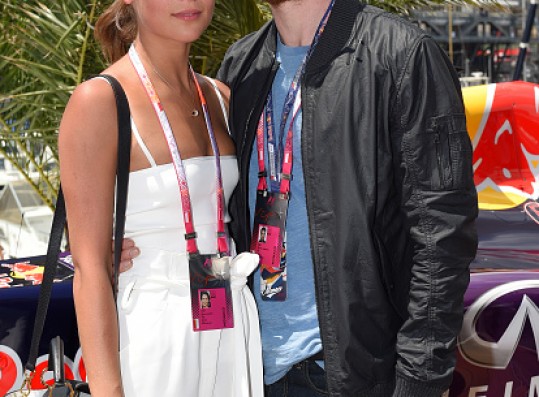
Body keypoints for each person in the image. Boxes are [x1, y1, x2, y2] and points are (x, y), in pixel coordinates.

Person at [120, 0, 478, 395]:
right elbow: (204, 201)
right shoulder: (241, 65)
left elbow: (442, 234)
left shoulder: (400, 55)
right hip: (245, 365)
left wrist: (420, 378)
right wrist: (116, 245)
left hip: (351, 372)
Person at [58, 0, 263, 396]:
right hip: (152, 331)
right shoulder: (98, 101)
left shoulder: (219, 97)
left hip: (228, 319)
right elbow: (89, 269)